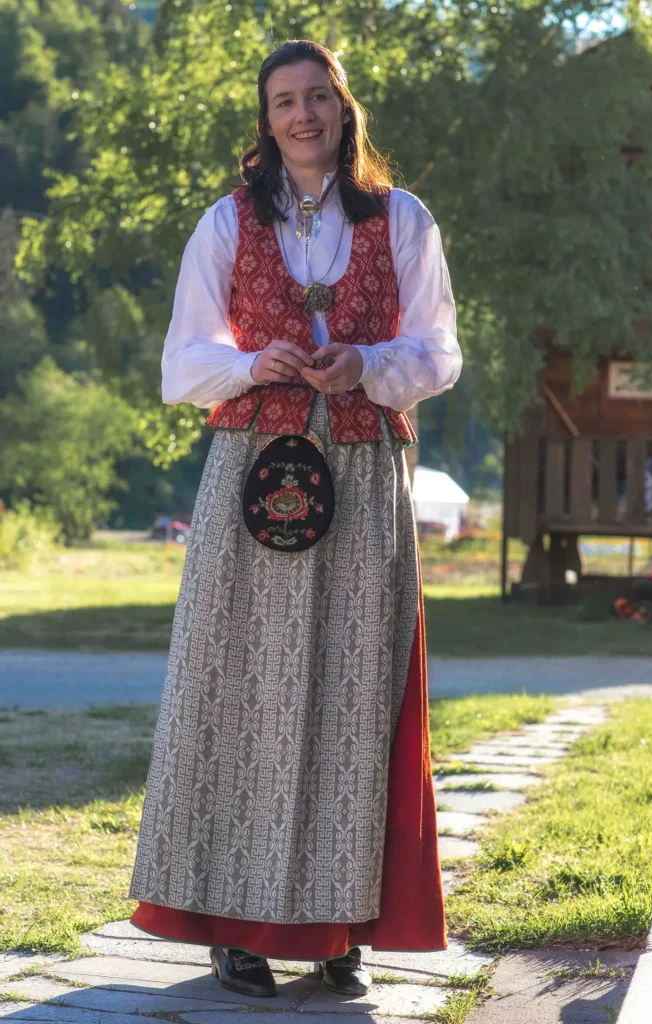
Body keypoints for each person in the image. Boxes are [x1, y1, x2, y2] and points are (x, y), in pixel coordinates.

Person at [129, 39, 462, 1000]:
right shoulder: (227, 223)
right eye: (285, 101)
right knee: (238, 690)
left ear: (344, 107)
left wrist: (365, 364)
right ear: (266, 118)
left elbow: (437, 352)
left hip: (362, 474)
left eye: (318, 96)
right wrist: (253, 365)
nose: (304, 115)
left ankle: (336, 924)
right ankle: (232, 925)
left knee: (349, 697)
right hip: (252, 474)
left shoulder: (401, 218)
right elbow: (183, 364)